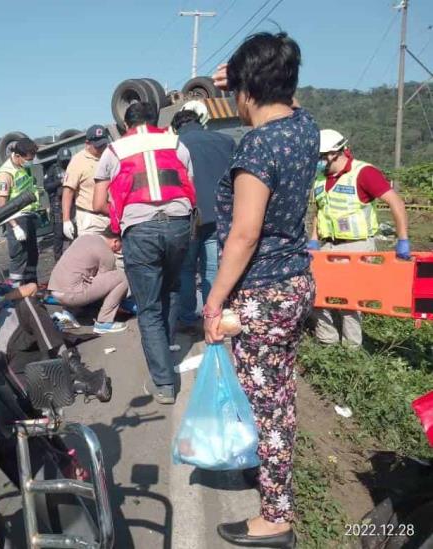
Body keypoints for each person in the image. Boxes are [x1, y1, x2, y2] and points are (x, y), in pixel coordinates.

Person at [203, 33, 318, 548]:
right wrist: (253, 75)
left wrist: (215, 298)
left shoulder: (259, 145)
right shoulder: (304, 128)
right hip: (294, 281)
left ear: (247, 90)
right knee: (278, 395)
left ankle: (276, 516)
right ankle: (274, 483)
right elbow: (287, 99)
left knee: (269, 405)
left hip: (264, 287)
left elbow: (245, 234)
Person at [93, 101, 196, 405]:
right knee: (172, 288)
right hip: (178, 224)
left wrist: (121, 216)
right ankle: (167, 347)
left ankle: (164, 384)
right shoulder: (176, 142)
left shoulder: (114, 150)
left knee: (148, 307)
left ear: (125, 126)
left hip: (140, 230)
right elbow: (188, 185)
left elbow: (100, 202)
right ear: (156, 120)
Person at [310, 129, 410, 347]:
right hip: (328, 244)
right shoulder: (320, 178)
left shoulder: (364, 173)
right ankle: (327, 341)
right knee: (315, 292)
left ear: (334, 153)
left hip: (356, 245)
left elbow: (396, 202)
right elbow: (320, 210)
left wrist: (402, 238)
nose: (316, 161)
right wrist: (314, 239)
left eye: (319, 156)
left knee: (349, 298)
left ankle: (351, 346)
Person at [0, 283, 111, 402]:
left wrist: (2, 298)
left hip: (24, 331)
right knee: (26, 388)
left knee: (28, 303)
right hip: (7, 356)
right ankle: (79, 381)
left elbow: (32, 287)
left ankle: (73, 369)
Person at [171, 101, 235, 334]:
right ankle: (213, 315)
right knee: (212, 269)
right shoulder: (225, 141)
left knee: (187, 270)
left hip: (188, 217)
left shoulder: (174, 145)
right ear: (200, 122)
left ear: (176, 127)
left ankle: (188, 318)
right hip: (220, 215)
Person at [48, 228, 129, 334]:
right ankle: (104, 322)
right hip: (71, 295)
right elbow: (105, 287)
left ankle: (68, 314)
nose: (120, 249)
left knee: (78, 278)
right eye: (121, 245)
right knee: (122, 277)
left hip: (54, 289)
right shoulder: (106, 253)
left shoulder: (85, 238)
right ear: (115, 241)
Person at [0, 137, 40, 285]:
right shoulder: (6, 173)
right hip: (16, 219)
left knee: (33, 255)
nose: (29, 162)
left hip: (28, 216)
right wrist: (15, 226)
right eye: (28, 159)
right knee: (19, 258)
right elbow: (2, 205)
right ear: (18, 156)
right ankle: (15, 292)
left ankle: (32, 287)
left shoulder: (22, 166)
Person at [62, 125, 110, 240]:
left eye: (104, 145)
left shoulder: (109, 156)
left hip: (110, 215)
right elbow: (68, 191)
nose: (101, 148)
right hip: (90, 218)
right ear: (87, 143)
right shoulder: (78, 161)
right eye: (98, 146)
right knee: (92, 254)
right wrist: (66, 219)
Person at [43, 147, 71, 260]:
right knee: (58, 234)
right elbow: (47, 187)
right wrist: (59, 182)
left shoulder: (73, 167)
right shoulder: (52, 169)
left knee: (72, 232)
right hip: (57, 205)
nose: (65, 162)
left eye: (67, 160)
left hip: (71, 204)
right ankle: (58, 258)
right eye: (63, 160)